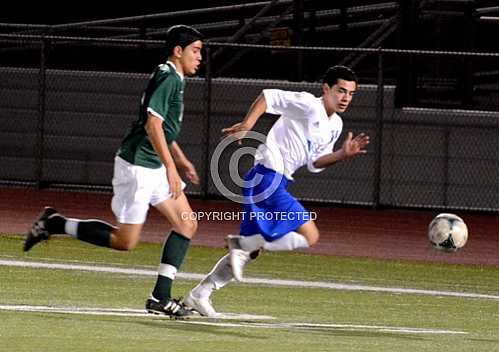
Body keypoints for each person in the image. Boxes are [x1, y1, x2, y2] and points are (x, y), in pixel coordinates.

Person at [24, 25, 204, 318]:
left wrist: (179, 160)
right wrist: (172, 168)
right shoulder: (169, 77)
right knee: (125, 241)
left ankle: (160, 297)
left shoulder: (175, 78)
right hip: (137, 167)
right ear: (178, 51)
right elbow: (152, 125)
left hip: (153, 164)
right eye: (195, 51)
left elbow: (164, 127)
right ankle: (55, 224)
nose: (199, 57)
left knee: (187, 224)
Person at [183, 65, 370, 317]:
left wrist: (341, 154)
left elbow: (314, 163)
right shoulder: (307, 103)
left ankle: (199, 294)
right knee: (310, 235)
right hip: (267, 177)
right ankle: (242, 243)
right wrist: (248, 124)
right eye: (340, 91)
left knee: (251, 253)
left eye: (351, 93)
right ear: (326, 89)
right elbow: (267, 96)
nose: (346, 97)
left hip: (269, 181)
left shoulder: (335, 124)